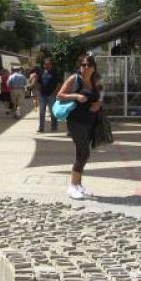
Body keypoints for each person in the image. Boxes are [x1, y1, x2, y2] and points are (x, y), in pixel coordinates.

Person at [57, 54, 103, 200]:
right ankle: (72, 186)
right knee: (83, 153)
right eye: (83, 65)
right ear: (79, 66)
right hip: (76, 121)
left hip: (90, 121)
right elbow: (59, 95)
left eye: (89, 65)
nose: (86, 67)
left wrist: (98, 103)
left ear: (94, 68)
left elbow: (99, 95)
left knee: (83, 153)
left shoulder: (95, 80)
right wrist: (76, 96)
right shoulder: (74, 79)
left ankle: (78, 185)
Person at [37, 58, 61, 133]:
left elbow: (59, 83)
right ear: (43, 65)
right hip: (43, 95)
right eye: (46, 64)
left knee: (53, 112)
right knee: (42, 112)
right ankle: (41, 128)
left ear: (51, 65)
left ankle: (54, 127)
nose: (47, 65)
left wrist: (55, 92)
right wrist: (39, 90)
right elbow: (38, 82)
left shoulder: (55, 73)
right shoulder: (41, 73)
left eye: (49, 64)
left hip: (52, 95)